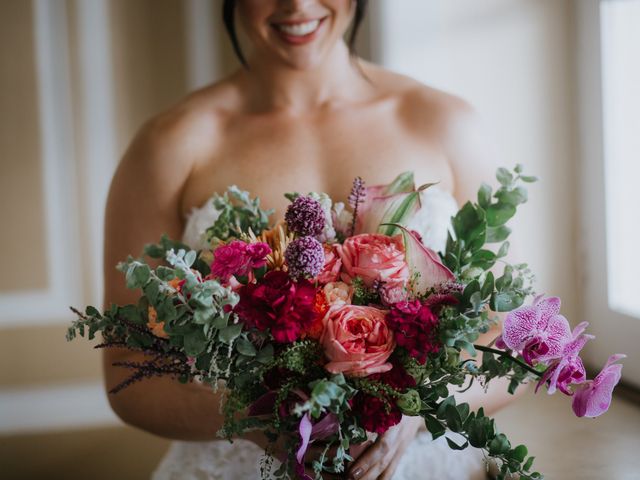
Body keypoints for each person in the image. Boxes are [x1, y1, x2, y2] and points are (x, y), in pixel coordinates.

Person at [103, 1, 522, 478]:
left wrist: (416, 409)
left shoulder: (445, 122)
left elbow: (511, 336)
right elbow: (126, 370)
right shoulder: (170, 143)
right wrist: (252, 415)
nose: (297, 5)